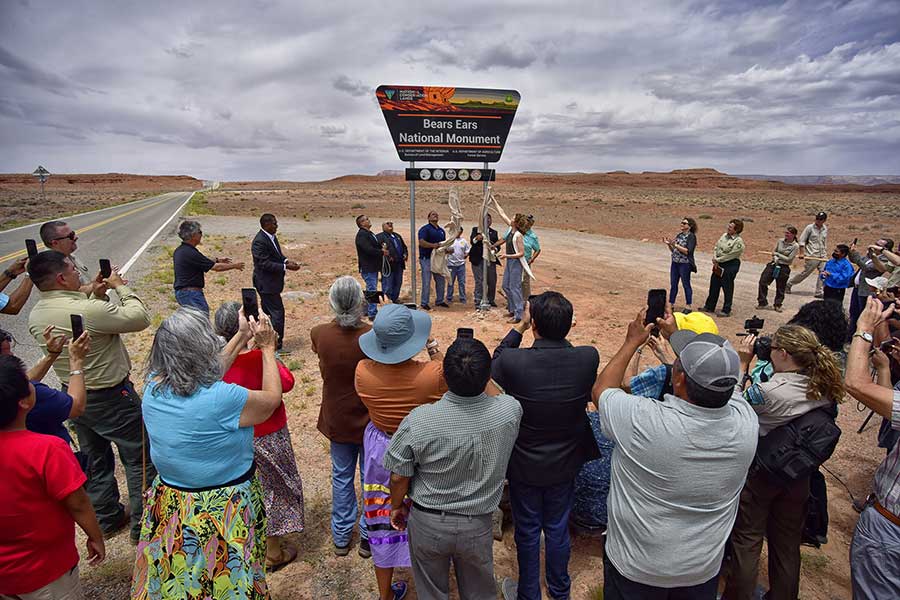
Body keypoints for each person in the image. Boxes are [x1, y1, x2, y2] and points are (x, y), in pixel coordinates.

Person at [592, 310, 758, 599]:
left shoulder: (644, 421)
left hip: (635, 567)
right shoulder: (746, 423)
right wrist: (675, 339)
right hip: (701, 570)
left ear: (678, 380)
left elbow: (602, 389)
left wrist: (632, 342)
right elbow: (731, 388)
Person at [133, 308, 282, 599]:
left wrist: (241, 336)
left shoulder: (152, 385)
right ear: (201, 350)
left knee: (183, 574)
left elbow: (206, 372)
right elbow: (271, 401)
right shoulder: (223, 398)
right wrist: (267, 349)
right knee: (231, 579)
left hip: (173, 500)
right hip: (224, 505)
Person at [27, 250, 153, 542]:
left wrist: (95, 295)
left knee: (96, 458)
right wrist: (120, 286)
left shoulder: (38, 314)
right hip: (112, 395)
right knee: (139, 459)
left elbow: (88, 328)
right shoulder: (87, 310)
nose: (78, 274)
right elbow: (139, 317)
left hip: (74, 395)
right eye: (73, 270)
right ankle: (143, 528)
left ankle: (107, 517)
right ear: (61, 277)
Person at [384, 338, 522, 600]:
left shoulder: (420, 420)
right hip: (478, 523)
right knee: (480, 592)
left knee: (432, 592)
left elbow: (398, 474)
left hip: (428, 521)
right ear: (487, 376)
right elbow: (496, 394)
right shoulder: (509, 411)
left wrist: (397, 505)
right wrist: (480, 372)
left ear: (444, 378)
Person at [722, 325, 845, 600]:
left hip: (762, 473)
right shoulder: (823, 384)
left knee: (748, 539)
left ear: (784, 354)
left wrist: (743, 362)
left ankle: (736, 596)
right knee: (787, 544)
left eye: (773, 346)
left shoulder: (768, 391)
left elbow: (733, 408)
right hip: (799, 474)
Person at [492, 291, 600, 600]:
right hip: (566, 462)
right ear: (569, 325)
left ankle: (529, 593)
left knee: (527, 530)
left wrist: (520, 327)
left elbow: (494, 361)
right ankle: (560, 590)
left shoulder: (514, 361)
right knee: (557, 526)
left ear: (534, 322)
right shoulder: (587, 357)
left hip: (524, 463)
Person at [355, 304, 447, 600]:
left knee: (382, 518)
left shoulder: (363, 373)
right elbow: (449, 374)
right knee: (424, 514)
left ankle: (385, 594)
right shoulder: (432, 376)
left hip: (380, 449)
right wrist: (433, 346)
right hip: (421, 450)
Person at [0, 355, 105, 600]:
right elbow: (78, 503)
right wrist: (95, 536)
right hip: (47, 570)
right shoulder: (47, 449)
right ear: (25, 401)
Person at [215, 301, 303, 572]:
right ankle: (273, 551)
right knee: (274, 490)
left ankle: (248, 543)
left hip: (236, 439)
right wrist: (268, 352)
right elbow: (286, 382)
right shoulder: (259, 359)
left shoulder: (215, 367)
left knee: (248, 492)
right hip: (270, 435)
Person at [311, 276, 373, 558]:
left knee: (341, 476)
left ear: (333, 303)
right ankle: (368, 535)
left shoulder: (319, 333)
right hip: (369, 418)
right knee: (370, 478)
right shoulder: (372, 335)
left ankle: (341, 536)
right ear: (361, 302)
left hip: (337, 416)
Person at [844, 297, 900, 600]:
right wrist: (887, 371)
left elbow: (855, 384)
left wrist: (864, 329)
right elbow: (890, 411)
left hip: (890, 532)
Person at [1, 326, 89, 443]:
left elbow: (18, 381)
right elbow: (76, 406)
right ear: (24, 402)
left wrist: (52, 355)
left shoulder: (6, 387)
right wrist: (76, 360)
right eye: (6, 354)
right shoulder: (34, 395)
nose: (12, 355)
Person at [623, 310, 719, 399]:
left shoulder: (662, 374)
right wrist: (665, 356)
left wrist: (636, 346)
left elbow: (626, 385)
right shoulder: (720, 377)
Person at [252, 213, 301, 352]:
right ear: (266, 224)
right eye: (274, 223)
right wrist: (285, 267)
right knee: (277, 313)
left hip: (271, 283)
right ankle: (276, 345)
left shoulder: (271, 237)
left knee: (266, 313)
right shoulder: (259, 241)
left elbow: (277, 256)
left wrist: (286, 261)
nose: (276, 225)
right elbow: (264, 263)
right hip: (266, 284)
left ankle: (263, 340)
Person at [172, 219, 243, 313]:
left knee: (195, 321)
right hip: (190, 293)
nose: (201, 235)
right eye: (199, 232)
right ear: (193, 235)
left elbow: (202, 261)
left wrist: (217, 260)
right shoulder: (190, 252)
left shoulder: (182, 250)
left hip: (185, 293)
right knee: (201, 320)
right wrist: (235, 265)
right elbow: (217, 267)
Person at [848, 238, 895, 331]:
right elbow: (857, 261)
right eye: (875, 243)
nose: (874, 246)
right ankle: (850, 336)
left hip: (867, 291)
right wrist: (851, 252)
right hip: (858, 288)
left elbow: (866, 267)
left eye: (878, 245)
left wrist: (856, 255)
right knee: (853, 313)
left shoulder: (884, 259)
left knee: (862, 315)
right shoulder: (870, 256)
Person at [702, 218, 745, 317]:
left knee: (727, 287)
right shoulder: (724, 236)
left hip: (730, 265)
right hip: (718, 263)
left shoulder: (738, 242)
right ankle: (709, 306)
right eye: (728, 226)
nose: (728, 228)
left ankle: (726, 310)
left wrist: (718, 260)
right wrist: (715, 258)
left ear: (736, 229)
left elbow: (731, 255)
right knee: (714, 284)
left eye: (730, 227)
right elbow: (716, 247)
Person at [756, 226, 799, 312]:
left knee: (780, 287)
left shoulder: (795, 246)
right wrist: (776, 255)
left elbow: (789, 259)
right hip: (773, 264)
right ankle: (762, 302)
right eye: (786, 233)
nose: (786, 235)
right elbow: (773, 252)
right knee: (763, 282)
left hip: (784, 267)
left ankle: (778, 304)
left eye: (788, 233)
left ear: (793, 235)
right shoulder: (780, 241)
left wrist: (778, 255)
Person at [786, 212, 828, 298]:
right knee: (805, 273)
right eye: (817, 219)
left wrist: (825, 251)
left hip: (822, 255)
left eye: (820, 219)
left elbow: (824, 241)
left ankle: (818, 292)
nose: (818, 221)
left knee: (823, 273)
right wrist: (801, 253)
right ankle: (789, 284)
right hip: (812, 254)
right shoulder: (809, 228)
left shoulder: (825, 229)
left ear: (824, 220)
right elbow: (802, 241)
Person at [498, 214, 530, 324]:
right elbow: (502, 214)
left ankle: (518, 314)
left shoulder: (518, 235)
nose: (510, 219)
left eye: (513, 218)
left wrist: (506, 256)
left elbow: (521, 253)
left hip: (516, 262)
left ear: (516, 223)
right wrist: (493, 201)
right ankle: (512, 309)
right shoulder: (510, 230)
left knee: (514, 287)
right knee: (505, 286)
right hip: (510, 261)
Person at [356, 215, 388, 320]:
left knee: (371, 288)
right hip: (368, 267)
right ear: (361, 223)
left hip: (373, 266)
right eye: (366, 219)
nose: (369, 220)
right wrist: (381, 252)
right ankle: (372, 313)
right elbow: (368, 249)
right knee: (372, 289)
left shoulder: (369, 234)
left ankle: (367, 310)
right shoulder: (362, 235)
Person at [665, 216, 698, 312]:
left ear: (690, 226)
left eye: (684, 223)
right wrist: (669, 245)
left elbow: (688, 251)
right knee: (673, 284)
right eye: (682, 223)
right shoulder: (679, 235)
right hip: (675, 263)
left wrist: (675, 245)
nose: (682, 224)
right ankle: (671, 303)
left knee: (686, 284)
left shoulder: (691, 237)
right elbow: (674, 250)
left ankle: (688, 305)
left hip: (685, 264)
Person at [417, 210, 448, 310]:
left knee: (440, 280)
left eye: (436, 214)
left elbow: (443, 244)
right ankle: (424, 302)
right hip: (426, 258)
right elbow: (421, 242)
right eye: (433, 214)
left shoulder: (441, 231)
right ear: (429, 218)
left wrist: (447, 250)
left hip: (438, 259)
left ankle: (440, 300)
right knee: (426, 280)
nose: (435, 215)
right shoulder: (425, 229)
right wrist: (432, 246)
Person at [470, 214, 500, 307]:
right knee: (479, 280)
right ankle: (478, 300)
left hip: (490, 259)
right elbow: (472, 241)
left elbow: (498, 245)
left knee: (492, 280)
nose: (487, 221)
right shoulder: (476, 230)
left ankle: (490, 299)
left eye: (489, 219)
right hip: (477, 259)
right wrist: (477, 238)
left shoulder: (494, 232)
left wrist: (494, 249)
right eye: (485, 219)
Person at [376, 221, 408, 304]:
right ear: (383, 226)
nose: (390, 225)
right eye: (387, 223)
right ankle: (387, 299)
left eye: (391, 223)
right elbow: (377, 250)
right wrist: (386, 256)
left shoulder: (397, 236)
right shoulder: (380, 237)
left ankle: (395, 299)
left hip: (399, 264)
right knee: (388, 283)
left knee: (398, 282)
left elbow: (404, 247)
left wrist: (405, 254)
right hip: (388, 266)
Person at [446, 227, 470, 304]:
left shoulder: (463, 241)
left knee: (462, 282)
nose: (458, 232)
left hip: (461, 265)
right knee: (450, 282)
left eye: (460, 231)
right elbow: (444, 249)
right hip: (451, 265)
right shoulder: (449, 240)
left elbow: (467, 250)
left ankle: (462, 298)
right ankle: (449, 297)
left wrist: (466, 255)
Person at [521, 215, 541, 300]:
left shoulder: (532, 236)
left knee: (525, 282)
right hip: (514, 260)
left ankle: (526, 300)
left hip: (525, 261)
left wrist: (532, 259)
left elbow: (537, 249)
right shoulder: (518, 232)